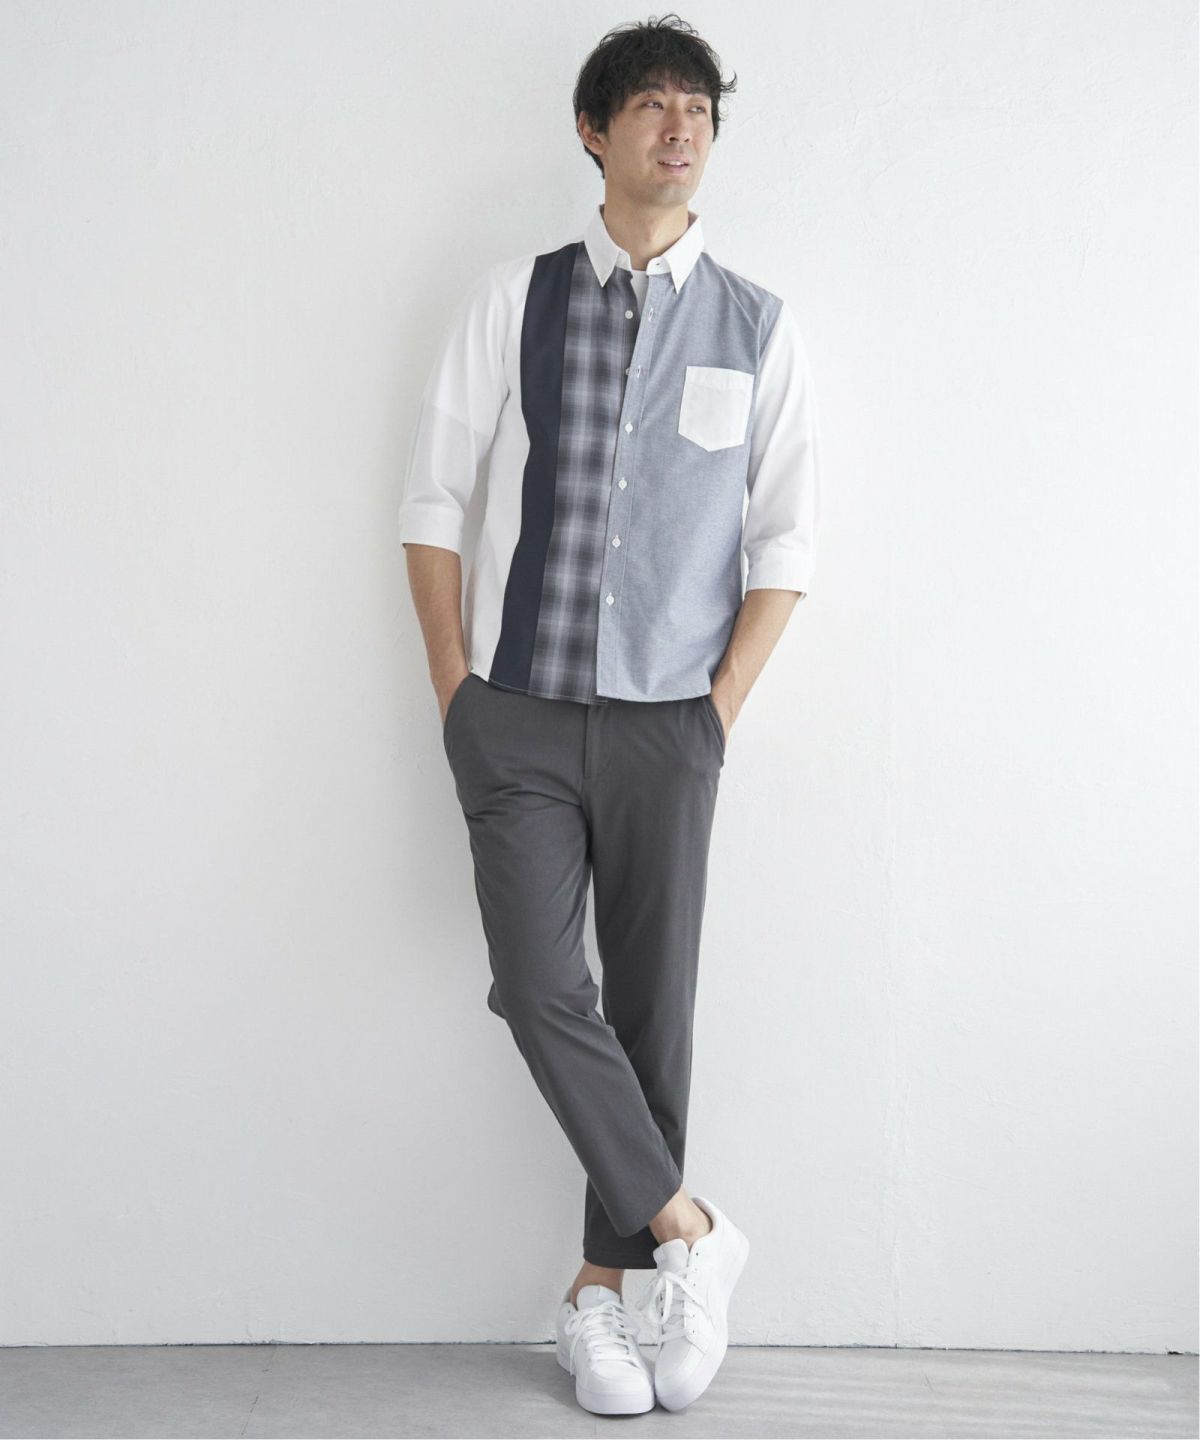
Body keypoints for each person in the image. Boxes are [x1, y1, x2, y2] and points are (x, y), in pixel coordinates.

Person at [399, 14, 820, 1416]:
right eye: (650, 104)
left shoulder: (758, 325)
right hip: (514, 712)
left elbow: (786, 543)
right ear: (594, 131)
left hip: (670, 724)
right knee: (538, 984)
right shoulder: (512, 300)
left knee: (651, 1013)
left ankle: (602, 1296)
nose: (679, 127)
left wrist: (717, 711)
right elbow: (431, 502)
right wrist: (456, 691)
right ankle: (691, 1232)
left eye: (698, 107)